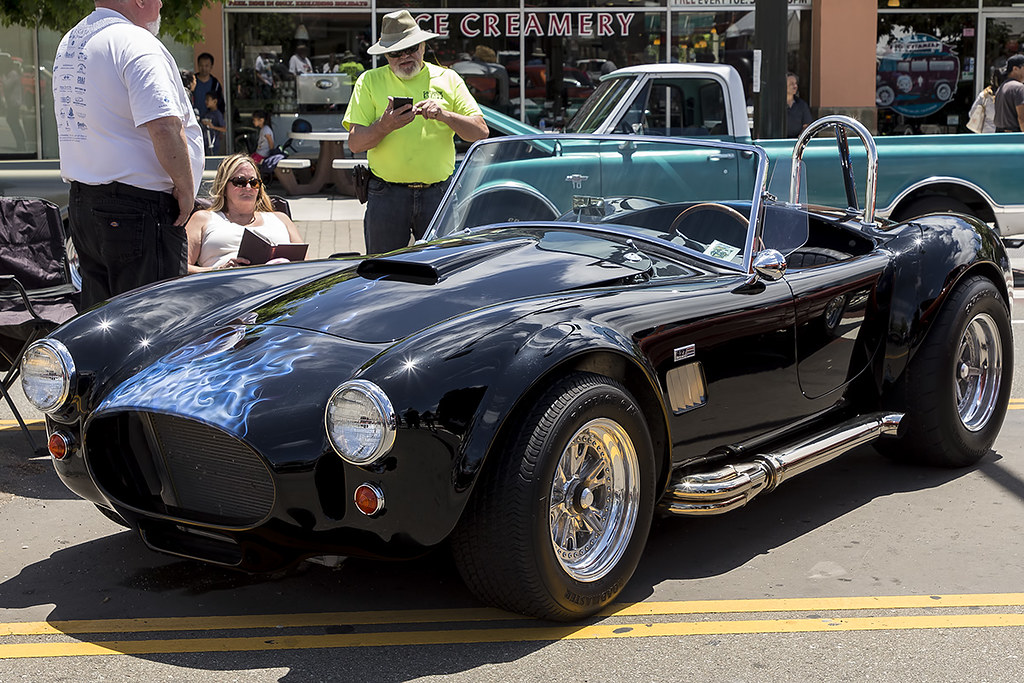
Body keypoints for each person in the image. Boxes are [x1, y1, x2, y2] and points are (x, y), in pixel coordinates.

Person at [52, 0, 204, 309]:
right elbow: (164, 126)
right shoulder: (135, 41)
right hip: (138, 209)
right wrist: (187, 190)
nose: (162, 3)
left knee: (105, 320)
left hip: (86, 203)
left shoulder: (72, 41)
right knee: (153, 320)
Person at [343, 10, 488, 254]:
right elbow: (355, 144)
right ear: (386, 55)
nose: (404, 57)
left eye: (410, 48)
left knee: (442, 268)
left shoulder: (448, 78)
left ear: (422, 46)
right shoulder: (369, 81)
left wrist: (444, 115)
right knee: (384, 270)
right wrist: (385, 125)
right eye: (395, 52)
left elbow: (480, 132)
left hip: (438, 194)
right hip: (386, 194)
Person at [185, 154, 302, 273]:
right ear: (224, 186)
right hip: (225, 281)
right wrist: (217, 270)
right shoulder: (203, 219)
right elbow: (181, 267)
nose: (248, 187)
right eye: (240, 181)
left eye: (254, 182)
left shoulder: (281, 219)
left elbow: (307, 265)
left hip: (280, 280)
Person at [1, 53, 27, 151]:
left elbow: (7, 85)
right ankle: (21, 141)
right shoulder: (11, 74)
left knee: (13, 121)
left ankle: (21, 142)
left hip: (14, 103)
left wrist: (2, 76)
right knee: (12, 120)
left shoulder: (13, 74)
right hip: (12, 102)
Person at [967, 67, 1005, 134]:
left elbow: (972, 113)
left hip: (985, 134)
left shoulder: (984, 95)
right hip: (1005, 136)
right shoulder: (1008, 95)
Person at [994, 54, 1024, 133]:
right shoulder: (1019, 88)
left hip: (999, 135)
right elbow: (1022, 118)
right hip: (1014, 135)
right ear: (1015, 69)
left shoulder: (1001, 87)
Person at [194, 51, 223, 122]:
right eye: (201, 65)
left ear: (211, 67)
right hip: (194, 119)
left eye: (206, 66)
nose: (204, 68)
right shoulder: (192, 81)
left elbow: (220, 104)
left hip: (210, 121)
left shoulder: (215, 84)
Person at [785, 72, 812, 138]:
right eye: (792, 84)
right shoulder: (777, 104)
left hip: (797, 141)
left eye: (796, 83)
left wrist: (801, 137)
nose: (795, 86)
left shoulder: (802, 105)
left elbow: (806, 125)